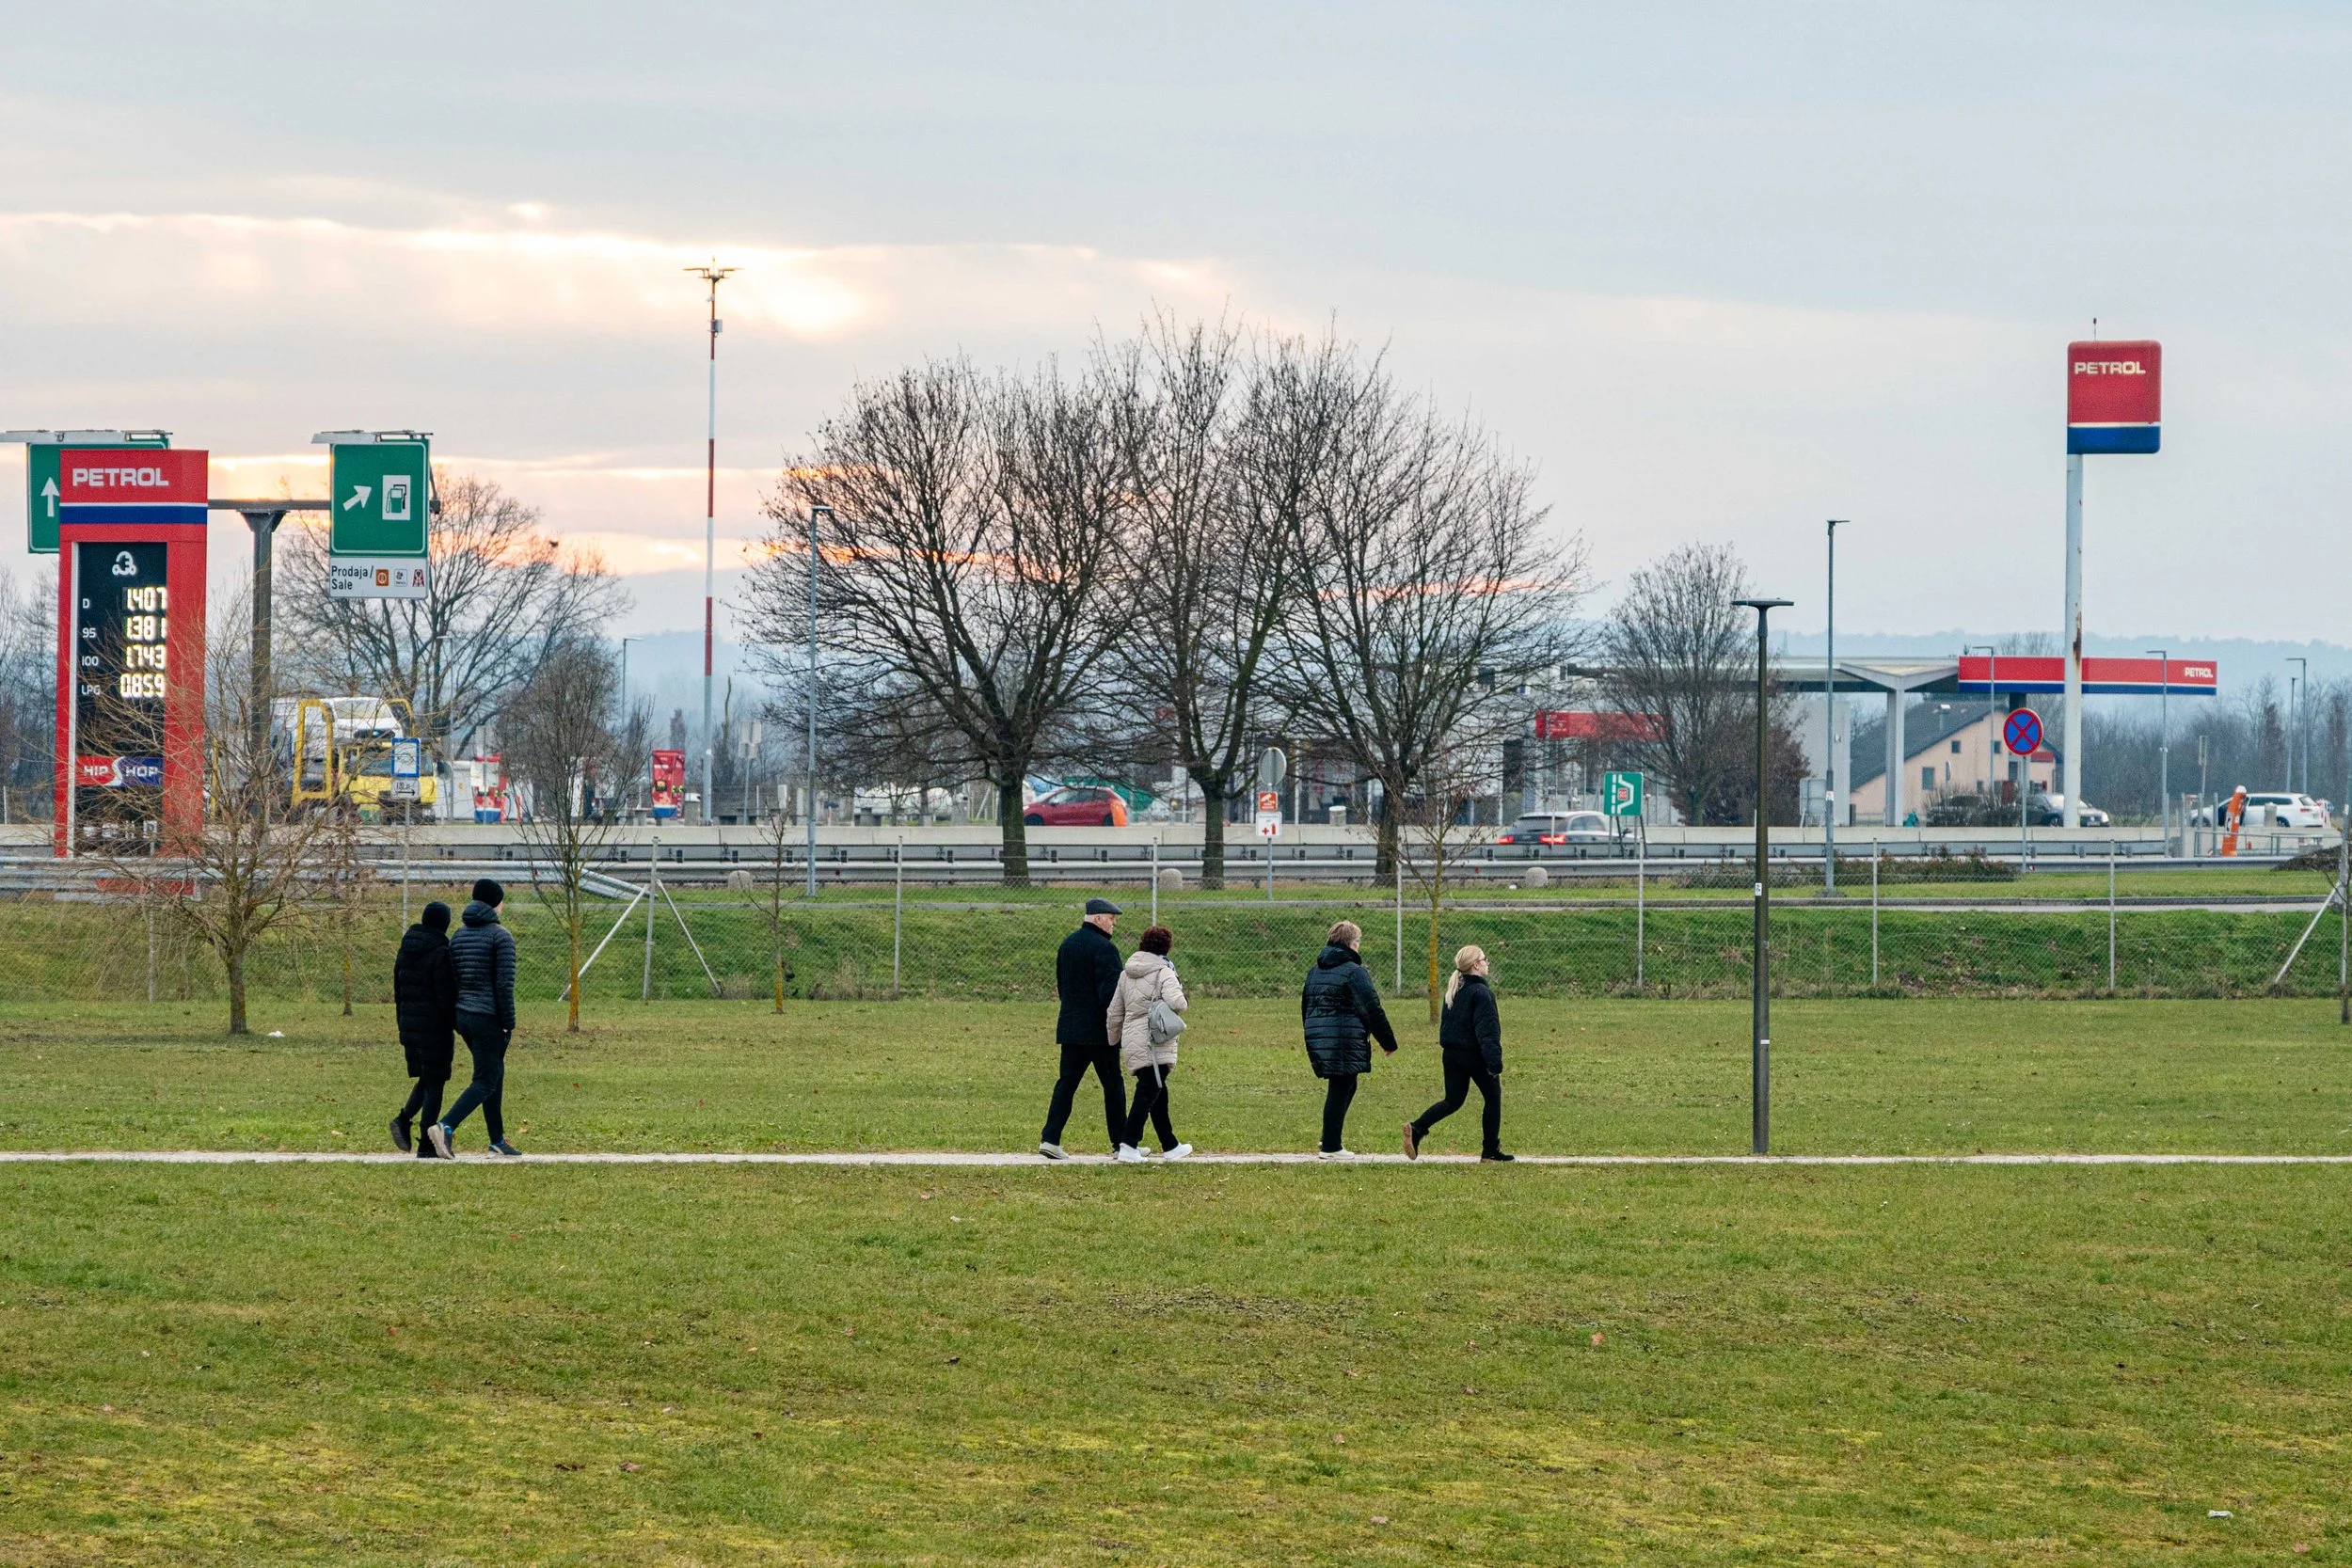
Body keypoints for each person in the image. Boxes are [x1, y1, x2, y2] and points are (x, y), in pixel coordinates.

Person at [427, 878, 521, 1159]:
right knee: (486, 1078)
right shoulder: (501, 937)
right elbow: (504, 985)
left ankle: (497, 1141)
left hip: (464, 1015)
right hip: (489, 1017)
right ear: (495, 903)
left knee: (493, 1073)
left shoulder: (458, 935)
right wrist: (508, 1021)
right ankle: (445, 1126)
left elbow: (454, 978)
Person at [1038, 897, 1127, 1160]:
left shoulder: (1067, 945)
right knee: (1113, 1086)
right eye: (1111, 918)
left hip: (1071, 1028)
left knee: (1066, 1083)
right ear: (1098, 918)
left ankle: (1050, 1139)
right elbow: (1110, 995)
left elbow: (1063, 987)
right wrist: (1118, 1023)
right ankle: (1122, 1143)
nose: (1114, 924)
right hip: (1099, 1032)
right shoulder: (1106, 949)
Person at [1300, 919, 1397, 1159]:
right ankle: (1332, 1146)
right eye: (1357, 942)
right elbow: (1371, 1008)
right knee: (1341, 1087)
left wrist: (1313, 1034)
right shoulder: (1355, 972)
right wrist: (1388, 1041)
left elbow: (1306, 1005)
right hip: (1344, 1038)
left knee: (1345, 1085)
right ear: (1351, 945)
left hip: (1320, 1035)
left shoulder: (1315, 971)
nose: (1358, 946)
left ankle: (1328, 1137)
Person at [1405, 944, 1512, 1162]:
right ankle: (1490, 1150)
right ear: (1475, 965)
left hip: (1451, 1055)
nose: (1487, 962)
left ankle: (1417, 1128)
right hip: (1474, 1055)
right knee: (1493, 1098)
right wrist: (1494, 1062)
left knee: (1452, 1100)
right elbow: (1487, 1030)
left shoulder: (1455, 990)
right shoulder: (1481, 993)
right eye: (1484, 959)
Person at [1106, 925, 1191, 1163]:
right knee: (1147, 1093)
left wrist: (1114, 1039)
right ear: (1166, 948)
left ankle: (1170, 1145)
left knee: (1156, 1090)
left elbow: (1114, 1012)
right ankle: (1128, 1144)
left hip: (1133, 1040)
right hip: (1155, 1042)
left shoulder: (1126, 974)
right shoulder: (1164, 971)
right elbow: (1178, 1003)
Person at [389, 900, 458, 1157]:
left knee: (428, 1078)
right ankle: (426, 1144)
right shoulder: (441, 951)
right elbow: (444, 996)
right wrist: (455, 1021)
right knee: (436, 1082)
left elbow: (398, 990)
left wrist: (402, 1023)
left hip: (409, 1024)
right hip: (434, 1027)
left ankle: (404, 1120)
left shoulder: (405, 949)